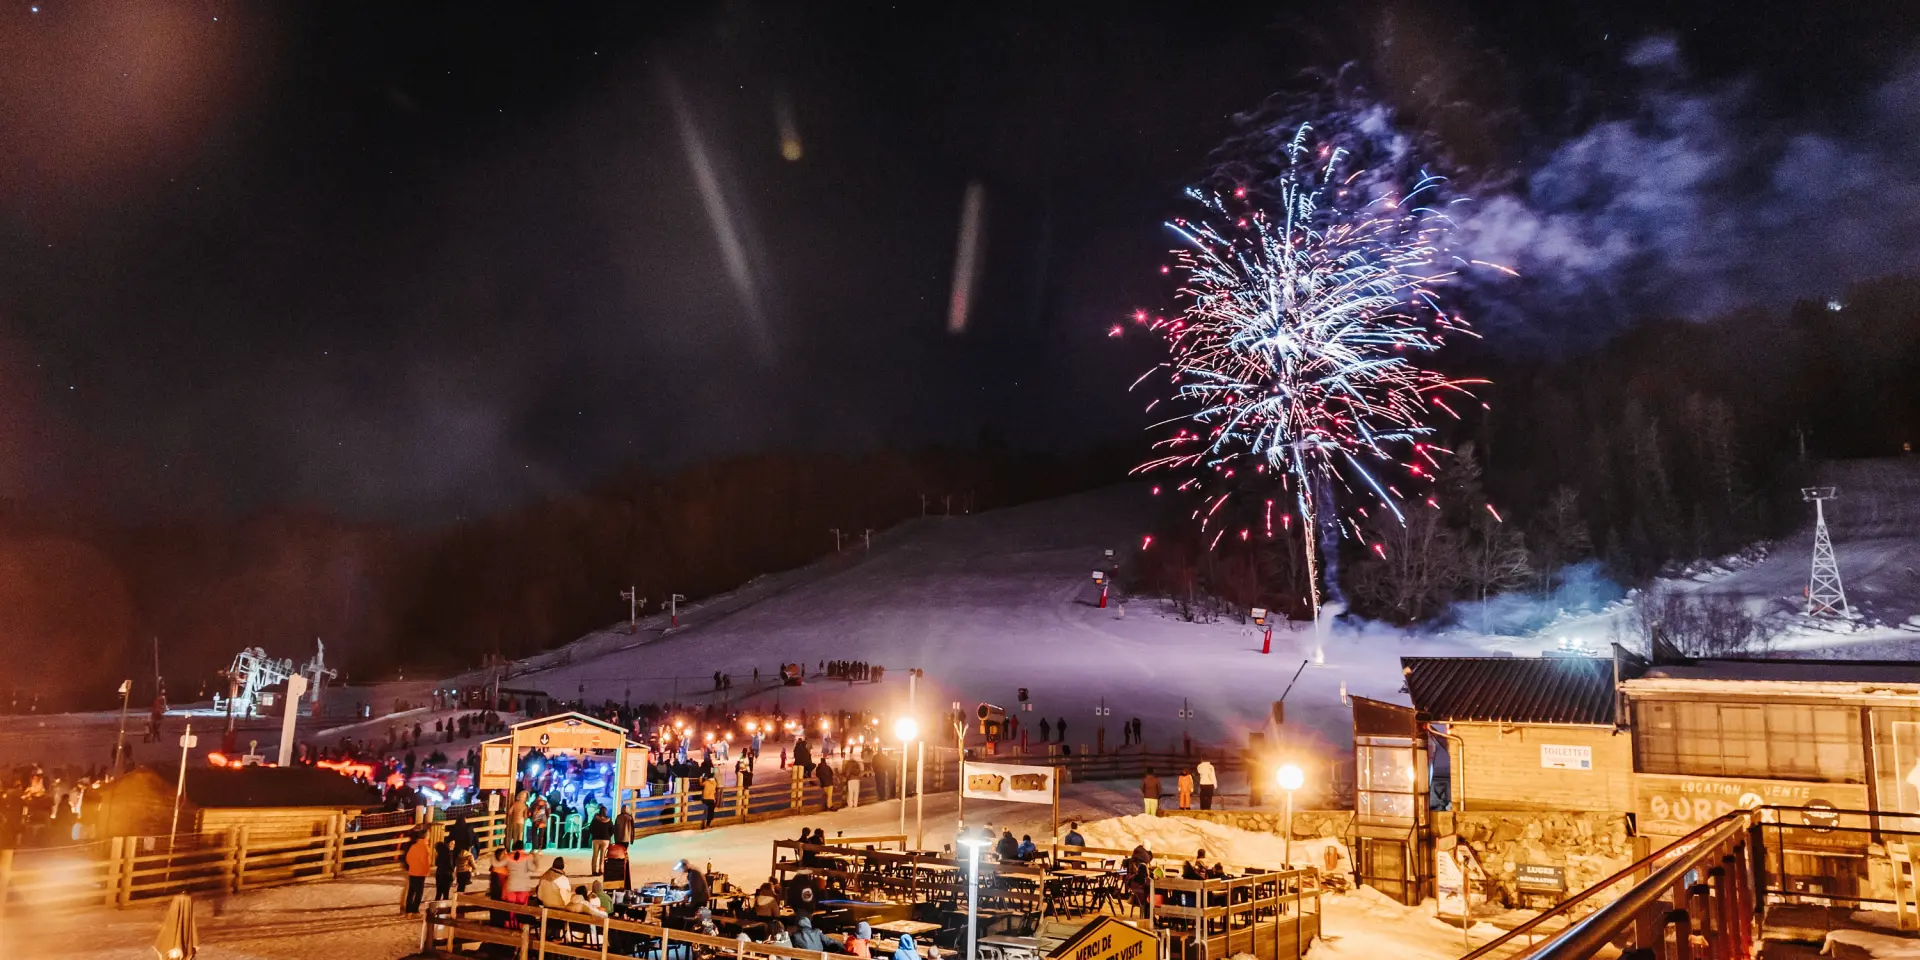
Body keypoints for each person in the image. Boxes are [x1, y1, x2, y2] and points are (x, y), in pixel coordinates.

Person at [402, 828, 433, 915]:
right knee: (419, 893)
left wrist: (412, 866)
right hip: (420, 873)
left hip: (412, 872)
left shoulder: (413, 846)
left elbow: (408, 858)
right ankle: (415, 909)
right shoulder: (426, 848)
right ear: (426, 836)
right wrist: (426, 871)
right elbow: (427, 862)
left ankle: (408, 909)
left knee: (411, 891)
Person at [588, 807, 615, 873]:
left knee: (595, 855)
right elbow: (612, 830)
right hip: (605, 840)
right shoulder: (608, 820)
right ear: (605, 812)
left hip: (596, 839)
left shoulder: (595, 820)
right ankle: (601, 870)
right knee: (602, 856)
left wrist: (594, 835)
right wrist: (608, 836)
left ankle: (594, 871)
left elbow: (591, 829)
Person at [434, 835, 457, 903]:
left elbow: (436, 863)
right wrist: (453, 869)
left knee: (438, 893)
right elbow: (450, 865)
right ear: (448, 843)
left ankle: (435, 907)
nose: (453, 845)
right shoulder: (449, 853)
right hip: (447, 875)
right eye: (452, 843)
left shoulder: (440, 852)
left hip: (439, 874)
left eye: (454, 844)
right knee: (446, 894)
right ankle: (444, 908)